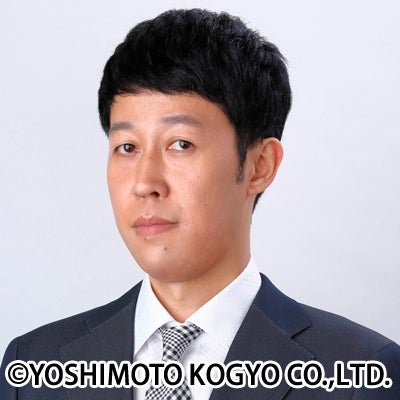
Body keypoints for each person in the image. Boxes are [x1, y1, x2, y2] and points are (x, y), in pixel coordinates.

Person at [0, 8, 399, 400]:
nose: (145, 184)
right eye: (127, 147)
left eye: (181, 144)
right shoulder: (33, 367)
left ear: (259, 166)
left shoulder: (358, 374)